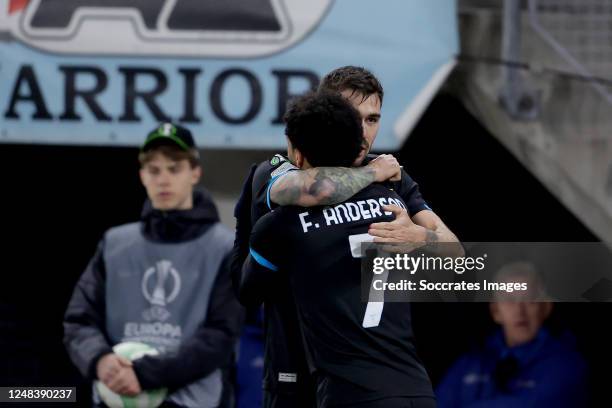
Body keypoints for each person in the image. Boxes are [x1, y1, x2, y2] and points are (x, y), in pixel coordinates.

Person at [230, 65, 458, 407]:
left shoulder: (393, 179)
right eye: (353, 117)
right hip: (294, 374)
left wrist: (419, 237)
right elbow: (313, 190)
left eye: (373, 119)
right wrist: (371, 172)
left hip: (354, 381)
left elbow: (457, 256)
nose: (363, 132)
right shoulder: (278, 172)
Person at [64, 123, 243, 408]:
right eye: (154, 170)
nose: (163, 180)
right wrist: (100, 361)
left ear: (195, 172)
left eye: (174, 169)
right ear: (142, 175)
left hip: (191, 401)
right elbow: (79, 321)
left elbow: (221, 335)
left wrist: (144, 374)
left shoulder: (225, 246)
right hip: (117, 397)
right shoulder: (114, 243)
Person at [435, 261, 589, 408]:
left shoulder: (567, 364)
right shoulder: (469, 363)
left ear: (545, 307)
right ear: (496, 311)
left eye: (530, 300)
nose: (519, 311)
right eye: (509, 300)